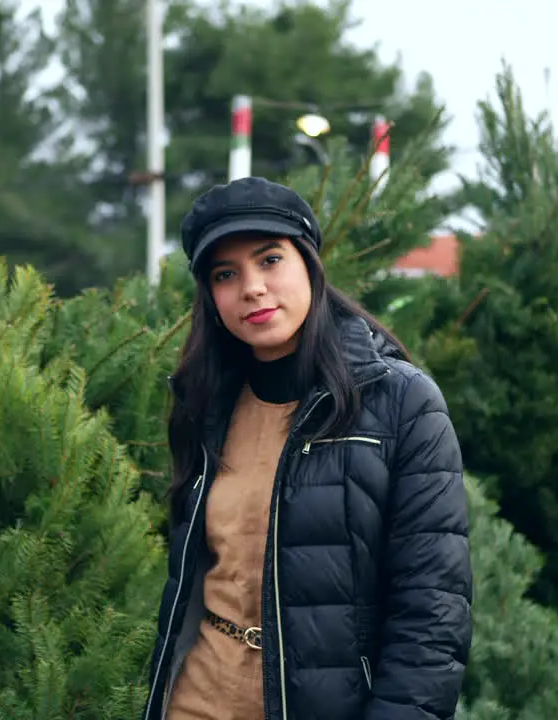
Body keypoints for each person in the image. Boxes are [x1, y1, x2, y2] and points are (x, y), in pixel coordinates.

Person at [143, 176, 473, 720]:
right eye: (226, 274)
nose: (251, 287)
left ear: (309, 266)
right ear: (211, 296)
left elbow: (432, 617)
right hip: (198, 698)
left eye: (269, 260)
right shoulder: (205, 403)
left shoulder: (400, 402)